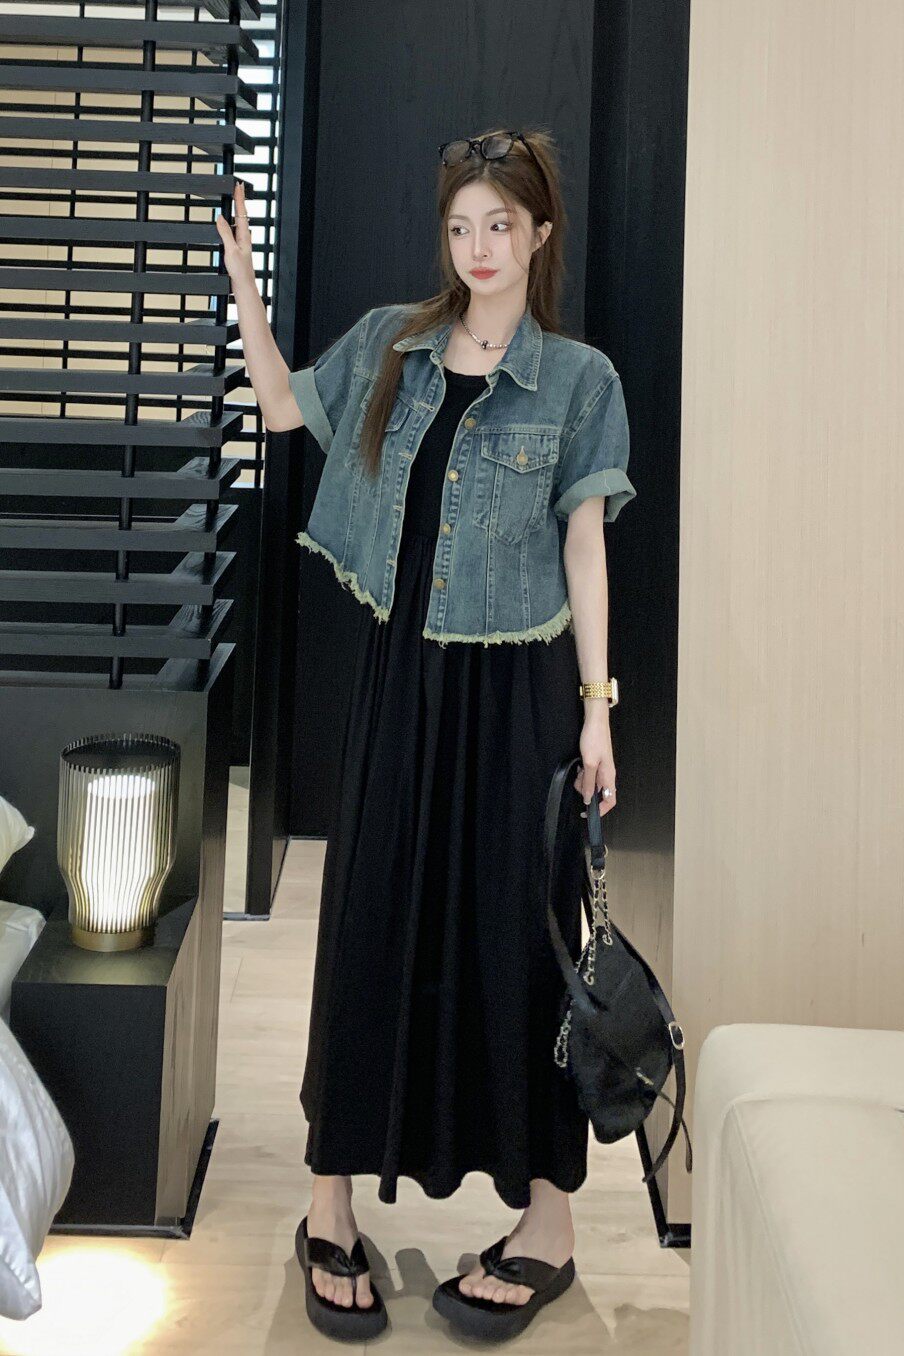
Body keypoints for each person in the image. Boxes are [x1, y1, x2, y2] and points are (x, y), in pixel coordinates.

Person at [217, 126, 636, 1343]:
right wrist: (242, 280)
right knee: (370, 920)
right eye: (461, 226)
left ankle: (547, 1222)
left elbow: (585, 544)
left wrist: (598, 713)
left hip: (519, 697)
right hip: (401, 681)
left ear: (538, 233)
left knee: (522, 940)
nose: (478, 247)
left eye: (500, 224)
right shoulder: (394, 345)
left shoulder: (580, 381)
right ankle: (329, 1203)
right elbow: (282, 408)